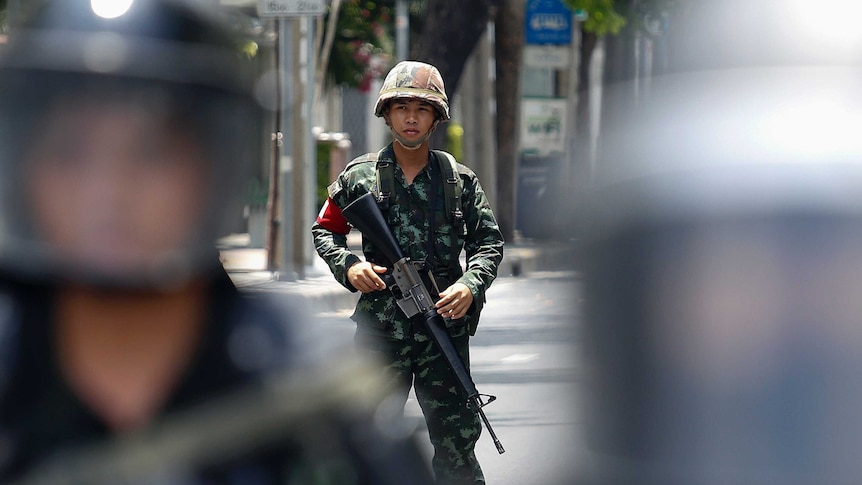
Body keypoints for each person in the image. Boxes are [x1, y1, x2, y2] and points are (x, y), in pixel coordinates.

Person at [0, 1, 434, 484]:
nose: (109, 191)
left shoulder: (313, 402)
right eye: (70, 152)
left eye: (150, 152)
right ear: (25, 171)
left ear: (209, 170)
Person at [312, 60, 505, 485]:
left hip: (443, 328)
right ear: (386, 113)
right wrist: (351, 266)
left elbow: (488, 242)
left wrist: (470, 285)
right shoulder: (358, 176)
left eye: (422, 107)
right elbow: (326, 230)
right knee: (365, 441)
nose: (411, 117)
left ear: (437, 117)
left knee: (456, 444)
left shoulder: (458, 180)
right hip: (382, 330)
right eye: (402, 107)